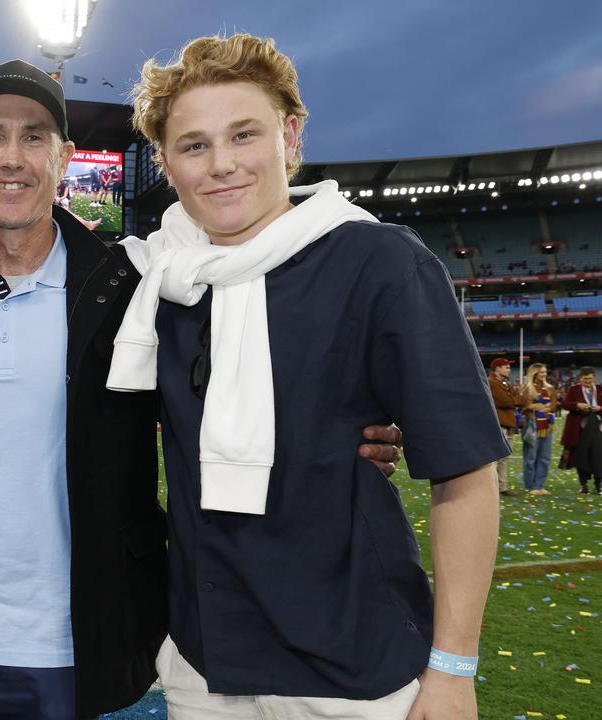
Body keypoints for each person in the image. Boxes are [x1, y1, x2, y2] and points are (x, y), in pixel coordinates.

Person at [0, 60, 404, 719]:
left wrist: (357, 429)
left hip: (71, 644)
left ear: (66, 157)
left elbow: (260, 362)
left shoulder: (130, 284)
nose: (12, 158)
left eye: (35, 137)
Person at [105, 33, 504, 719]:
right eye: (195, 145)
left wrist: (455, 666)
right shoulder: (157, 277)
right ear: (167, 163)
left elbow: (465, 470)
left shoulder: (379, 262)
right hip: (208, 659)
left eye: (244, 135)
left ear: (290, 135)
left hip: (354, 663)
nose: (222, 164)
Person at [562, 367, 602, 494]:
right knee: (581, 456)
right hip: (579, 428)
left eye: (590, 378)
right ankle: (583, 485)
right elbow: (564, 404)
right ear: (580, 379)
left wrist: (600, 408)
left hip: (597, 426)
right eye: (585, 379)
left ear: (594, 378)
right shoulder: (574, 390)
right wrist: (577, 405)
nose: (588, 381)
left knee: (598, 455)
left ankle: (598, 486)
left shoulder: (600, 390)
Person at [520, 362, 558, 495]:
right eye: (542, 372)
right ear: (534, 373)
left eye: (545, 372)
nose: (544, 374)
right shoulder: (527, 388)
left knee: (545, 457)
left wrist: (544, 407)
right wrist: (534, 406)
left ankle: (539, 485)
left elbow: (554, 405)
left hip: (547, 425)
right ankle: (530, 486)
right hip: (532, 424)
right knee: (530, 457)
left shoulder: (550, 388)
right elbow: (523, 405)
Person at [488, 357, 520, 496]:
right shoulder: (492, 383)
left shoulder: (505, 382)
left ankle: (502, 487)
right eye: (506, 367)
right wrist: (515, 399)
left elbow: (517, 399)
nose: (509, 369)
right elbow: (506, 401)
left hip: (507, 423)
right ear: (497, 368)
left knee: (504, 458)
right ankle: (493, 487)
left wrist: (515, 398)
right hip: (499, 423)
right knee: (496, 459)